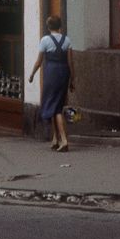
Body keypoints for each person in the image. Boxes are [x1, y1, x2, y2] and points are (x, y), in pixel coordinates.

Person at [28, 14, 76, 152]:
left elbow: (39, 61)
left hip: (51, 73)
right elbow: (71, 62)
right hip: (64, 73)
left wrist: (32, 74)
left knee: (53, 106)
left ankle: (64, 140)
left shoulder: (45, 40)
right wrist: (72, 79)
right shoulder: (67, 40)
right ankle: (56, 139)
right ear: (60, 26)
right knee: (58, 104)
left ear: (48, 27)